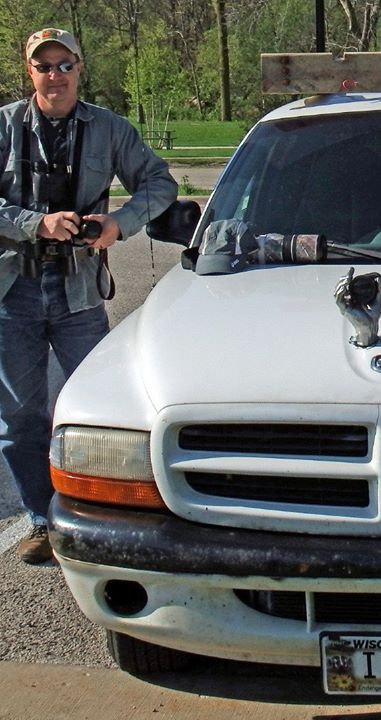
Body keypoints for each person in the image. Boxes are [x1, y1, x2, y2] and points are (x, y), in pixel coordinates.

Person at [0, 28, 178, 563]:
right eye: (44, 66)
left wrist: (119, 223)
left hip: (78, 290)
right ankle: (40, 518)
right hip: (13, 290)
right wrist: (37, 224)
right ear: (29, 72)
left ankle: (99, 515)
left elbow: (160, 184)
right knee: (21, 417)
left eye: (64, 64)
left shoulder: (110, 128)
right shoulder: (5, 126)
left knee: (98, 408)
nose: (54, 75)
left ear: (80, 68)